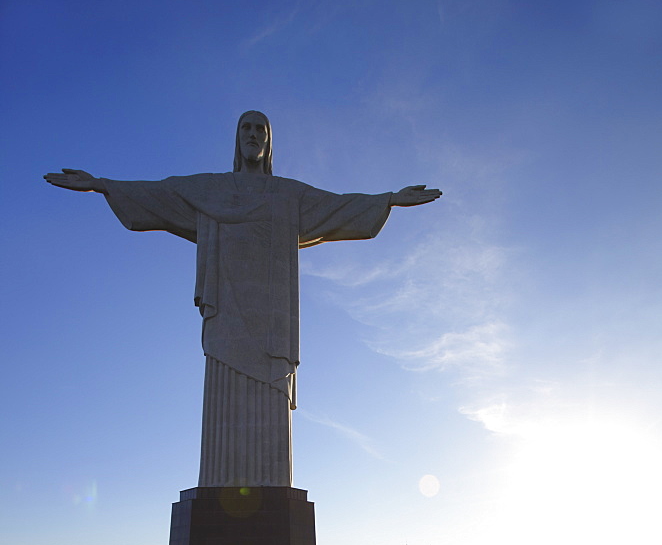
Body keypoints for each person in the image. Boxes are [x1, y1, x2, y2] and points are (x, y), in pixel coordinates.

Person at [44, 112, 441, 489]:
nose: (253, 134)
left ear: (269, 142)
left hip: (272, 326)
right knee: (222, 402)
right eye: (246, 128)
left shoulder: (288, 195)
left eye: (260, 129)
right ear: (237, 139)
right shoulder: (210, 189)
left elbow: (336, 206)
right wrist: (103, 184)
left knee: (270, 410)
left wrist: (387, 199)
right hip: (226, 320)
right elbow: (161, 193)